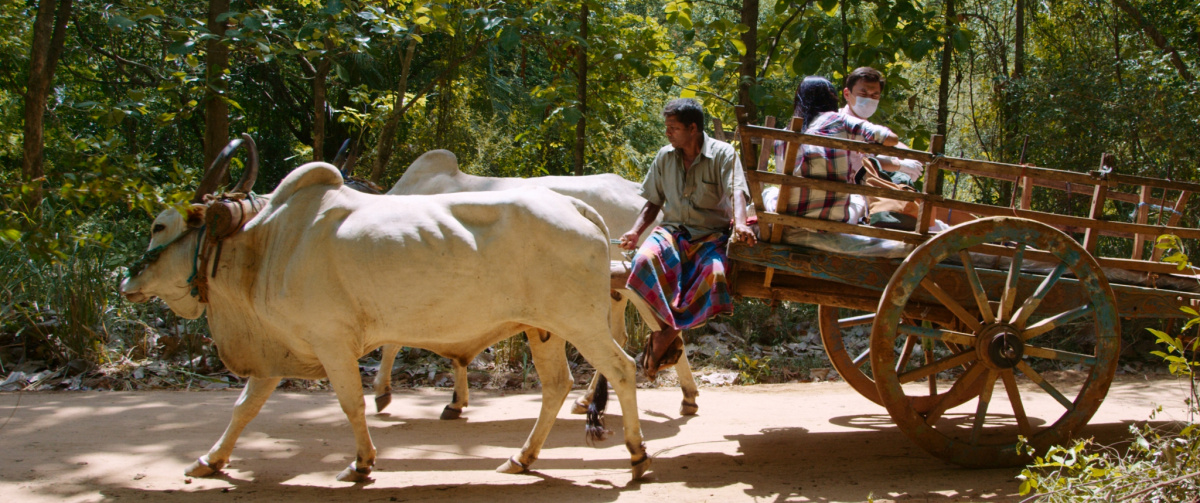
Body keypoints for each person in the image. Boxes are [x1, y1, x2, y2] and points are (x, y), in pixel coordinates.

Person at [619, 98, 755, 379]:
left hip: (710, 236)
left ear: (693, 128)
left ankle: (665, 336)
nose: (667, 133)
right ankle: (668, 332)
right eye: (667, 127)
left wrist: (741, 224)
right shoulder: (664, 156)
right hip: (671, 232)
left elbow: (736, 193)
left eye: (673, 128)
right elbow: (653, 202)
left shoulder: (724, 154)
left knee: (716, 274)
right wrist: (635, 232)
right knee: (642, 261)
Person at [772, 76, 900, 223]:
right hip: (834, 217)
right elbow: (891, 138)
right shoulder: (839, 120)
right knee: (858, 199)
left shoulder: (783, 135)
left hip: (791, 215)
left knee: (770, 192)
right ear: (832, 98)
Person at [839, 67, 924, 184]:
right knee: (903, 180)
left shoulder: (867, 127)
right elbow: (861, 163)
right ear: (847, 94)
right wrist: (899, 165)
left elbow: (890, 142)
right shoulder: (842, 122)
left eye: (874, 95)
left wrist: (913, 156)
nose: (868, 99)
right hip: (850, 188)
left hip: (862, 186)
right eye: (863, 93)